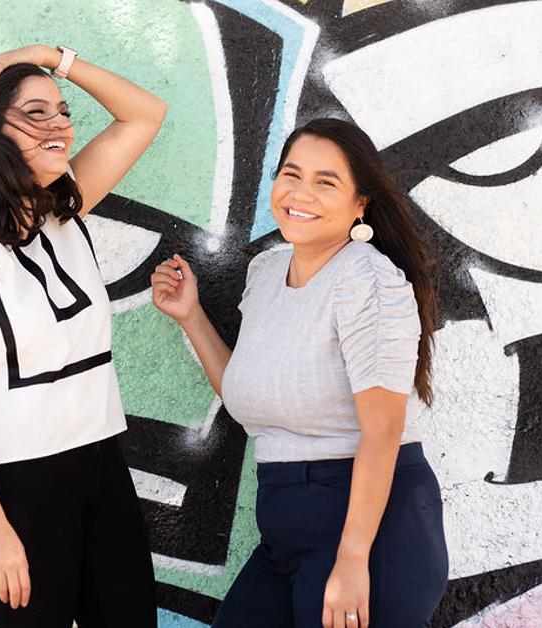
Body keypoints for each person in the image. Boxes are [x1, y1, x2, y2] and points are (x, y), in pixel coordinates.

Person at [151, 118, 448, 627]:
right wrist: (191, 316)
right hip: (284, 527)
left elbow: (383, 431)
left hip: (367, 528)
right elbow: (252, 397)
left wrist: (354, 560)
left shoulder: (367, 281)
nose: (300, 193)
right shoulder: (266, 273)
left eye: (325, 182)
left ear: (361, 204)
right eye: (291, 174)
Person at [0, 44, 166, 627]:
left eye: (62, 111)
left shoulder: (62, 208)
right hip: (14, 484)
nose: (60, 127)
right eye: (35, 113)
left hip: (100, 460)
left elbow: (145, 114)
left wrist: (54, 56)